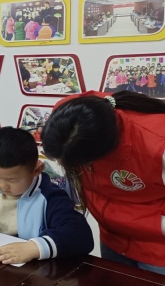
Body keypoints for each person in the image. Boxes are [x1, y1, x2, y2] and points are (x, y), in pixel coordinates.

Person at [41, 91, 165, 274]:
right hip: (111, 236)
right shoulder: (70, 116)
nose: (60, 164)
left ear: (103, 151)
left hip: (157, 247)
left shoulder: (157, 145)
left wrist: (153, 225)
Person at [0, 127, 93, 265]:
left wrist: (34, 248)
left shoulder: (50, 196)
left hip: (23, 270)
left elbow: (80, 235)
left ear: (37, 170)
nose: (2, 185)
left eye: (12, 180)